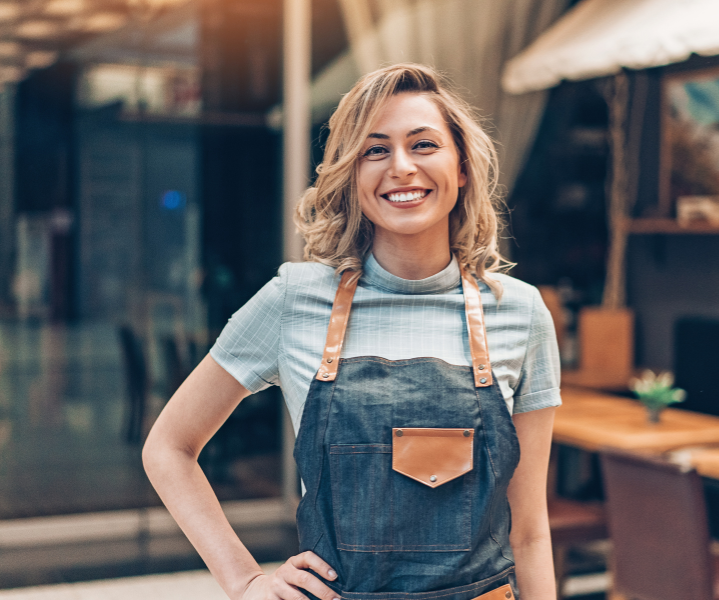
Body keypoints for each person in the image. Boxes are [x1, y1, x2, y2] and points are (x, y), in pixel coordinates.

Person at [143, 63, 561, 600]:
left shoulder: (521, 313)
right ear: (351, 173)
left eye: (424, 144)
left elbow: (528, 532)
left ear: (462, 168)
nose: (402, 167)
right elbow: (169, 447)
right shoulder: (294, 299)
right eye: (375, 150)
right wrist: (245, 581)